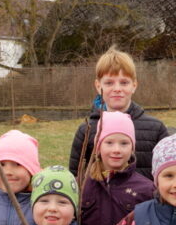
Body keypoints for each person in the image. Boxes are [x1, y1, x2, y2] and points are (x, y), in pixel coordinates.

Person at [67, 46, 169, 179]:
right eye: (109, 83)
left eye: (124, 82)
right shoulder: (86, 130)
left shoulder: (156, 129)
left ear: (134, 85)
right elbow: (75, 179)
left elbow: (168, 175)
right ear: (98, 86)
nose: (117, 89)